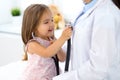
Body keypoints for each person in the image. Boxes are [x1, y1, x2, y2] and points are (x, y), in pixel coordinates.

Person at [53, 0, 120, 80]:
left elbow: (99, 69)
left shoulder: (106, 14)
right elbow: (81, 46)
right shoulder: (87, 9)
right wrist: (55, 46)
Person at [21, 4, 72, 80]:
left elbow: (62, 58)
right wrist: (62, 38)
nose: (51, 24)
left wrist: (57, 45)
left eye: (52, 20)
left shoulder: (51, 39)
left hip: (52, 76)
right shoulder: (32, 44)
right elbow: (47, 53)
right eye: (46, 22)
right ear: (34, 27)